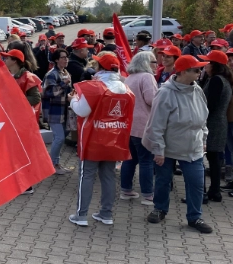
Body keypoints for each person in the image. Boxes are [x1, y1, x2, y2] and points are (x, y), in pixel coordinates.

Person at [143, 55, 213, 233]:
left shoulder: (197, 89)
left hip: (193, 147)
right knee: (163, 180)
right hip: (167, 147)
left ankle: (195, 217)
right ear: (182, 72)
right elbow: (156, 125)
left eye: (200, 69)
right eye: (196, 69)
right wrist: (158, 150)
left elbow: (204, 117)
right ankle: (160, 209)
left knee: (196, 183)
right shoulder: (165, 93)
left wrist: (203, 138)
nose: (200, 72)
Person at [68, 53, 135, 227]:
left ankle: (81, 215)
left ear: (100, 69)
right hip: (115, 139)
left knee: (87, 175)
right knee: (108, 176)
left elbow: (82, 111)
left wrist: (73, 99)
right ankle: (106, 213)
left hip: (94, 138)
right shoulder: (126, 89)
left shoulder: (95, 87)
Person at [2, 48, 42, 194]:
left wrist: (16, 101)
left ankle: (27, 185)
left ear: (15, 61)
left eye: (7, 58)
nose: (4, 60)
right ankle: (15, 181)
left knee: (22, 152)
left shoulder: (27, 77)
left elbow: (36, 98)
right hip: (9, 120)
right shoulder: (6, 75)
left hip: (22, 122)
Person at [121, 51, 158, 205]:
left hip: (130, 124)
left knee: (130, 159)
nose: (156, 65)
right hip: (144, 125)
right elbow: (151, 99)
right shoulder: (147, 77)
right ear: (146, 63)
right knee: (146, 160)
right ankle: (148, 194)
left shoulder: (130, 78)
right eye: (154, 61)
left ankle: (126, 189)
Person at [198, 50, 233, 201]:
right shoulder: (223, 79)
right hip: (219, 121)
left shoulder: (216, 80)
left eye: (208, 62)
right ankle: (214, 191)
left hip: (212, 122)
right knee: (215, 158)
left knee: (210, 157)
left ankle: (207, 191)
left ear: (215, 65)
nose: (205, 66)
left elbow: (210, 104)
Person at [43, 49, 72, 175]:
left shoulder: (65, 72)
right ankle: (52, 164)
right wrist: (65, 84)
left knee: (60, 137)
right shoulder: (52, 74)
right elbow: (50, 93)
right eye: (63, 57)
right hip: (53, 111)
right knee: (59, 138)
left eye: (67, 57)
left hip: (64, 110)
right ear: (56, 59)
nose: (66, 59)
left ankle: (55, 163)